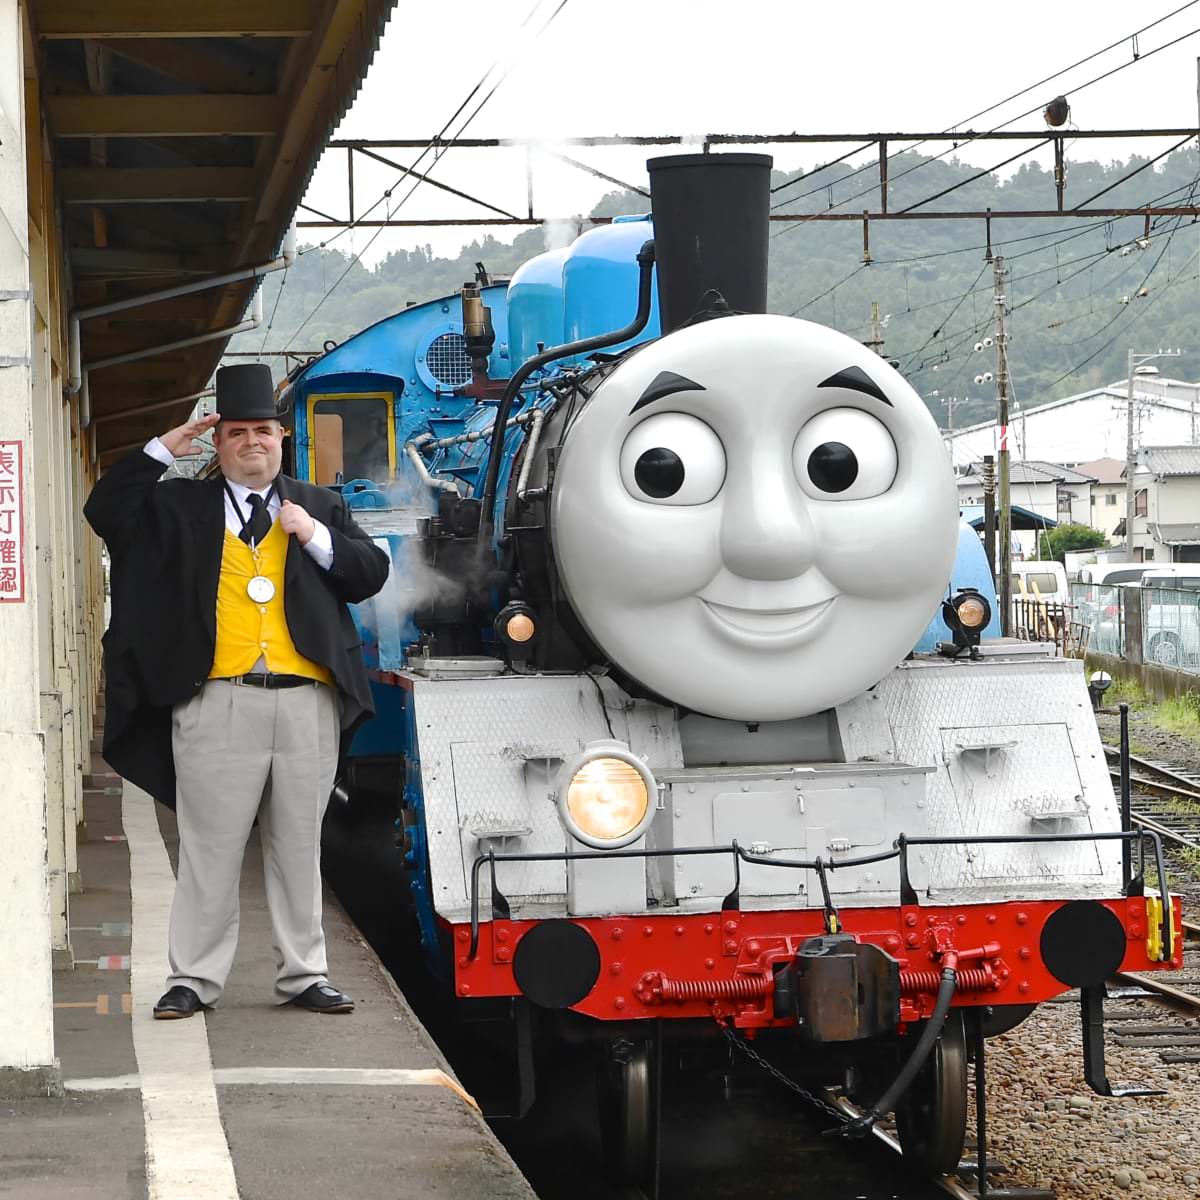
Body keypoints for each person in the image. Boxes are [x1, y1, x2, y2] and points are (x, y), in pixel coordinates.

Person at [85, 364, 390, 1019]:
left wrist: (315, 537)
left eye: (263, 431)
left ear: (282, 438)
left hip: (307, 699)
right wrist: (164, 448)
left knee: (299, 847)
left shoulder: (321, 506)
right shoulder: (178, 506)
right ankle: (193, 978)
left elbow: (370, 574)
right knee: (210, 849)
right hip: (217, 699)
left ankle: (305, 974)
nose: (253, 442)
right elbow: (105, 511)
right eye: (237, 432)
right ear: (219, 442)